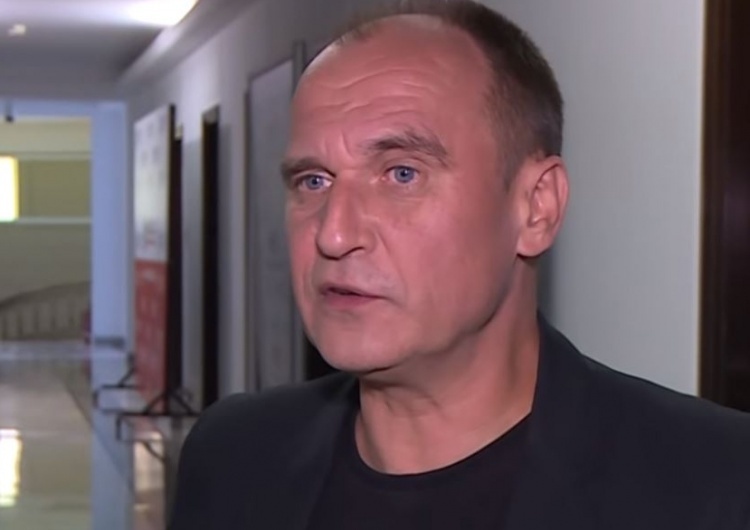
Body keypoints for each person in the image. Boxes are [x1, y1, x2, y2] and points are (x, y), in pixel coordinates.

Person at [168, 1, 750, 529]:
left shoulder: (717, 485)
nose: (334, 233)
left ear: (536, 208)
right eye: (313, 181)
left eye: (402, 174)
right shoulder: (232, 457)